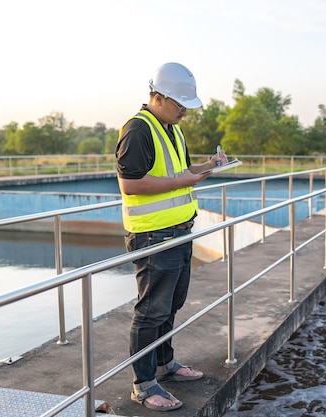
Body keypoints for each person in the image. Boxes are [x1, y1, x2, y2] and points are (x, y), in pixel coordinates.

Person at [115, 62, 227, 412]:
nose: (183, 113)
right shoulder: (138, 129)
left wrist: (209, 167)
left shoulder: (171, 128)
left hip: (179, 231)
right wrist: (185, 181)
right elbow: (131, 183)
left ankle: (164, 364)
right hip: (153, 237)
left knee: (171, 305)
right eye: (180, 105)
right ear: (158, 97)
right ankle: (144, 385)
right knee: (151, 311)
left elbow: (182, 172)